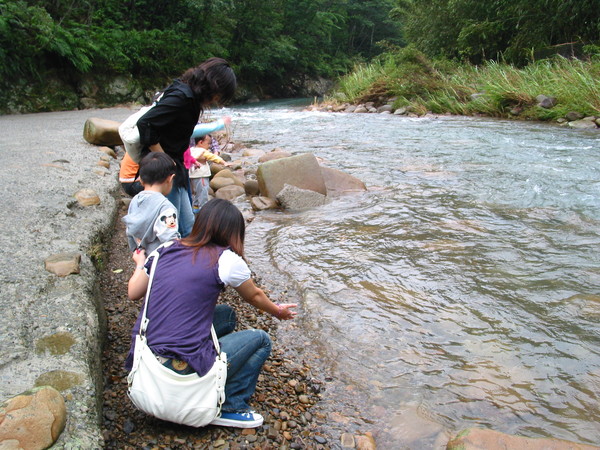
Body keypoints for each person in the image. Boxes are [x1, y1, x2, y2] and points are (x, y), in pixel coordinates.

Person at [126, 199, 297, 428]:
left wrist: (140, 263)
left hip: (147, 360)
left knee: (226, 316)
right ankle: (230, 406)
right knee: (261, 340)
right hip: (177, 370)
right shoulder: (226, 260)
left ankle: (207, 374)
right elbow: (254, 295)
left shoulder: (163, 250)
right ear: (232, 233)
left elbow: (133, 292)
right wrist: (277, 311)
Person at [136, 58, 237, 238]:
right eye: (220, 95)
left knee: (188, 226)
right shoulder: (182, 97)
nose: (218, 100)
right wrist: (164, 160)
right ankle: (170, 261)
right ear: (215, 86)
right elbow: (146, 123)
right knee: (173, 229)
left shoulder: (189, 97)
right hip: (164, 171)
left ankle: (188, 260)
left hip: (176, 167)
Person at [122, 152, 180, 255]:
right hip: (160, 263)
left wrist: (136, 251)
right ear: (170, 179)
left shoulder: (135, 200)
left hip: (142, 258)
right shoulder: (166, 207)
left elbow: (130, 231)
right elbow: (170, 241)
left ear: (141, 180)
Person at [186, 134, 228, 212]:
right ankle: (204, 212)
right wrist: (224, 162)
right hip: (201, 176)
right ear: (201, 142)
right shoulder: (203, 151)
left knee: (195, 195)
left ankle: (194, 211)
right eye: (208, 143)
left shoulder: (191, 150)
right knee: (203, 194)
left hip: (191, 176)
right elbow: (214, 157)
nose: (209, 146)